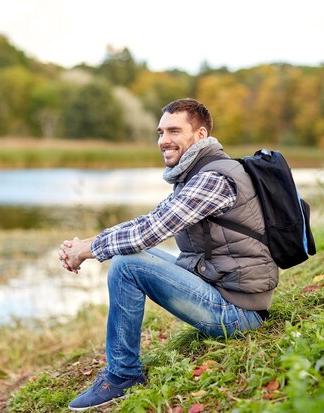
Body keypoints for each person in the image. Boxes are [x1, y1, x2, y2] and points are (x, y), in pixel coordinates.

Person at [58, 98, 278, 411]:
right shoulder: (196, 174)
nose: (164, 140)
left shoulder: (213, 179)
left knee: (127, 265)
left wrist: (88, 250)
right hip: (226, 292)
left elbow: (152, 229)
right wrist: (88, 242)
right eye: (160, 132)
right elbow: (148, 221)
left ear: (200, 136)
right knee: (135, 255)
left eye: (174, 131)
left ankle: (122, 376)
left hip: (239, 312)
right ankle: (122, 372)